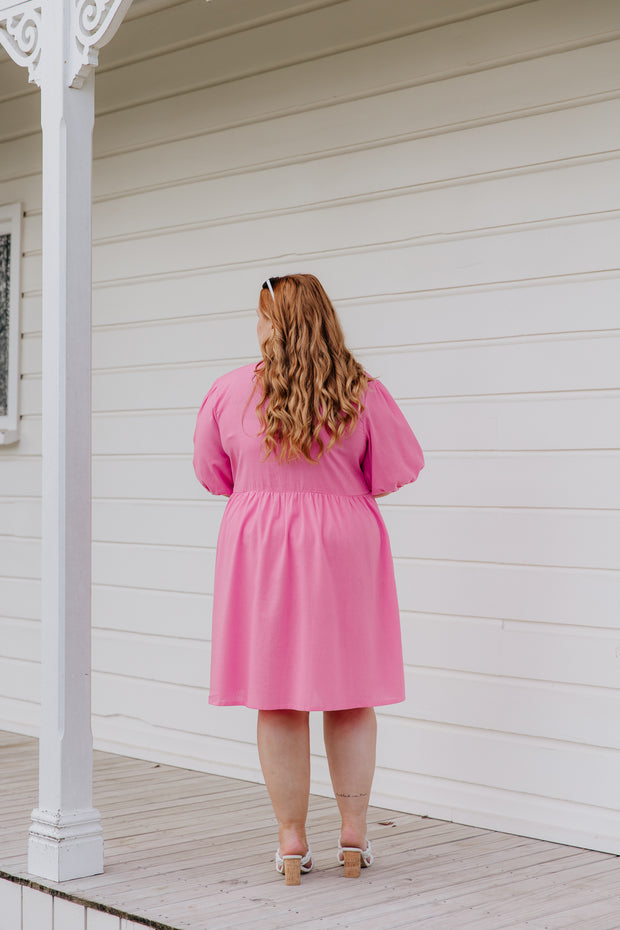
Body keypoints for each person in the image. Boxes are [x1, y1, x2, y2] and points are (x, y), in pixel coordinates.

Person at [193, 274, 424, 885]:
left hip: (261, 543)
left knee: (277, 695)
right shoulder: (361, 390)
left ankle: (291, 843)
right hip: (344, 542)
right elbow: (395, 467)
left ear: (273, 320)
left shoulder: (227, 391)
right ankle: (353, 836)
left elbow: (213, 473)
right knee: (350, 692)